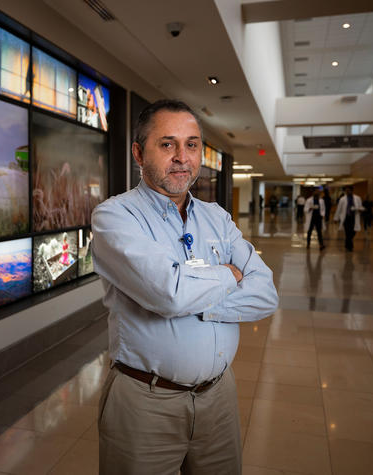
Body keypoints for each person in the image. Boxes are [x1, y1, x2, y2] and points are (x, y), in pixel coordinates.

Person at [91, 99, 278, 474]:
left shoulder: (217, 218)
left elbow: (265, 295)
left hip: (219, 397)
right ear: (138, 153)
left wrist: (193, 303)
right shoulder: (115, 216)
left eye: (191, 144)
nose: (182, 156)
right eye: (167, 144)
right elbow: (169, 293)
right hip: (146, 401)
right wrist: (228, 275)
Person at [334, 186, 364, 251]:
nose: (347, 192)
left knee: (353, 232)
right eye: (346, 191)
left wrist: (359, 209)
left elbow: (360, 207)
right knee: (347, 232)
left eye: (349, 190)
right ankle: (350, 246)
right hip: (346, 217)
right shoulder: (342, 199)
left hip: (354, 217)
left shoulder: (357, 198)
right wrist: (336, 218)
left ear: (352, 191)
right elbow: (339, 209)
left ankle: (347, 243)